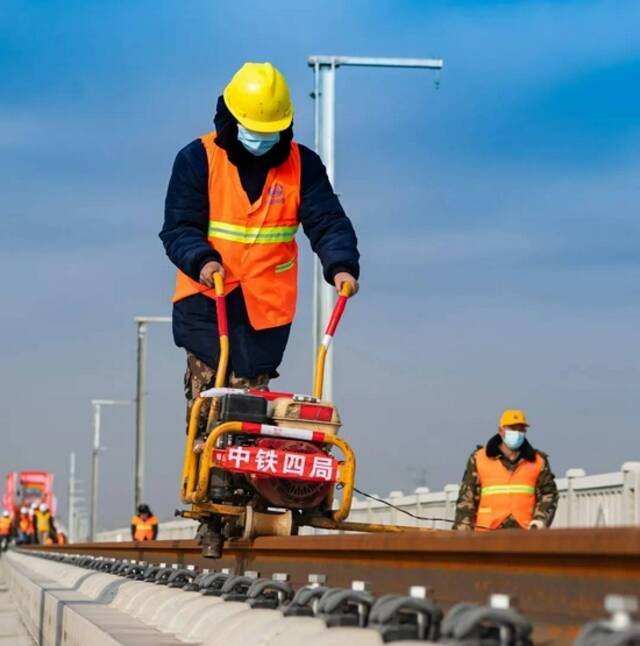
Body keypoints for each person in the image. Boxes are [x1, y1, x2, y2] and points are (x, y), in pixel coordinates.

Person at [160, 61, 360, 441]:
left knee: (253, 411)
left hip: (265, 310)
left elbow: (328, 221)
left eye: (270, 132)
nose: (261, 139)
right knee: (211, 405)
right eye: (253, 131)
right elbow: (179, 228)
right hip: (208, 302)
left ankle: (250, 485)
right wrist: (203, 261)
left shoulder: (303, 166)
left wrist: (341, 266)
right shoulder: (197, 159)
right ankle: (207, 483)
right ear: (231, 120)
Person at [453, 409, 559, 531]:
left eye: (521, 429)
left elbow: (548, 494)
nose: (518, 433)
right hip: (486, 533)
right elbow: (467, 498)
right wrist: (462, 532)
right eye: (513, 429)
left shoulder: (538, 461)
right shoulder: (479, 458)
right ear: (501, 431)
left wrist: (540, 521)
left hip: (525, 532)